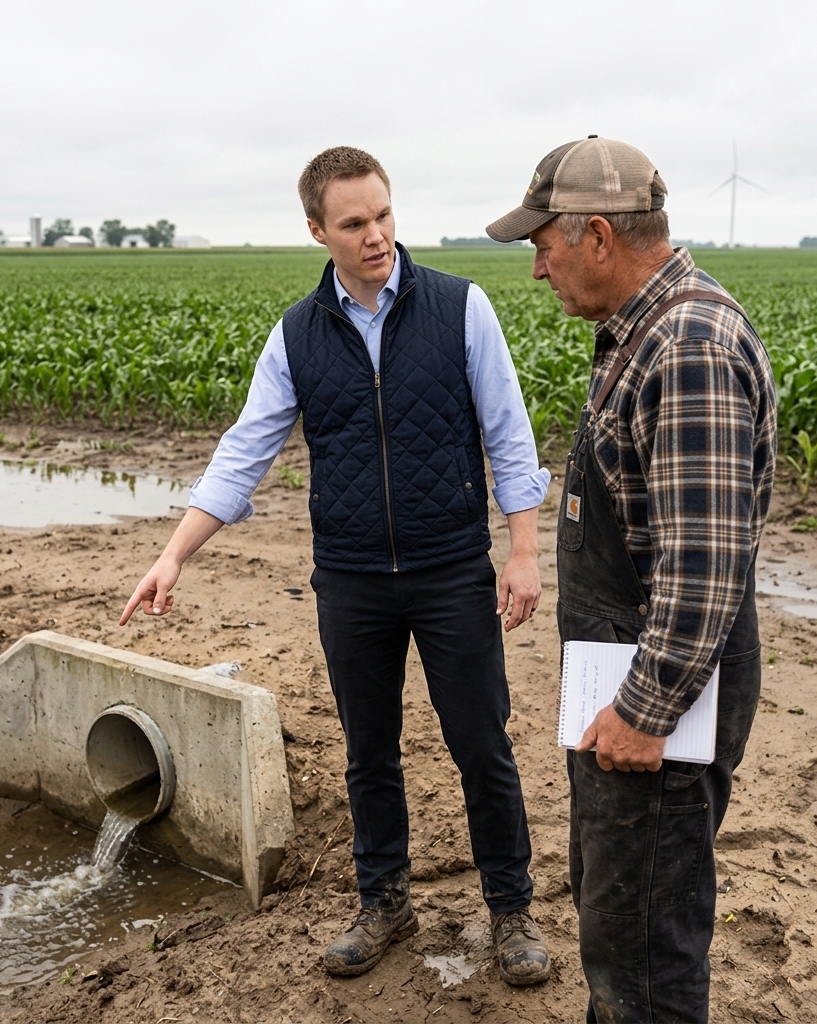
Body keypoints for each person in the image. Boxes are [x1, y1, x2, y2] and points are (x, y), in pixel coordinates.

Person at [120, 146, 553, 984]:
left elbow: (511, 435)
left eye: (384, 215)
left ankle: (511, 909)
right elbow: (245, 451)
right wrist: (174, 554)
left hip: (450, 567)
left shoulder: (462, 308)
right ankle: (384, 900)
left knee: (481, 746)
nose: (377, 235)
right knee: (369, 752)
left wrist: (523, 552)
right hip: (351, 578)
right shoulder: (296, 334)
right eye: (354, 223)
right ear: (318, 230)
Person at [486, 136, 777, 1022]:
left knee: (645, 941)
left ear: (599, 235)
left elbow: (701, 564)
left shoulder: (684, 344)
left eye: (545, 244)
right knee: (620, 914)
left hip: (656, 698)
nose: (538, 269)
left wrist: (645, 713)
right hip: (631, 679)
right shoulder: (644, 331)